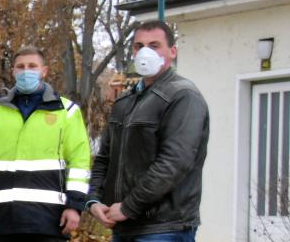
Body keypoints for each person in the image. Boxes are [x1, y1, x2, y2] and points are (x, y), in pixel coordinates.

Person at [88, 21, 209, 241]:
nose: (145, 52)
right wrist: (94, 200)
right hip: (124, 226)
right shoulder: (124, 102)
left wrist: (128, 207)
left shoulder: (183, 97)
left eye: (154, 45)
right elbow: (105, 158)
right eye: (139, 46)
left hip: (164, 227)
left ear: (172, 52)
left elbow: (173, 163)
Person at [0, 46, 92, 242]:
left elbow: (79, 163)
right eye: (21, 66)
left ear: (44, 71)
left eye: (32, 66)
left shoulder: (67, 112)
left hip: (49, 220)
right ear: (13, 72)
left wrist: (74, 206)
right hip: (2, 220)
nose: (26, 71)